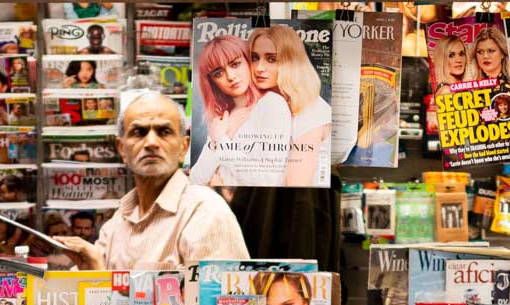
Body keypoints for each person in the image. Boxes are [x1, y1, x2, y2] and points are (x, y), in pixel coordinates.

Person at [57, 92, 250, 270]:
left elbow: (219, 296)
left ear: (184, 147)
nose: (151, 143)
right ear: (122, 148)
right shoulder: (117, 223)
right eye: (139, 132)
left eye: (164, 131)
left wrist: (100, 278)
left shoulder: (206, 213)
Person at [191, 34, 291, 187]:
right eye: (219, 73)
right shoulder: (223, 118)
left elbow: (267, 179)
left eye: (235, 64)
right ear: (212, 82)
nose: (230, 76)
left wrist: (222, 141)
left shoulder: (271, 104)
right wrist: (220, 139)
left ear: (248, 61)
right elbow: (196, 179)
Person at [250, 25, 330, 187]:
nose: (259, 68)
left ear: (291, 62)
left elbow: (296, 184)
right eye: (254, 58)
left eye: (271, 59)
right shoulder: (268, 103)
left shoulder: (311, 108)